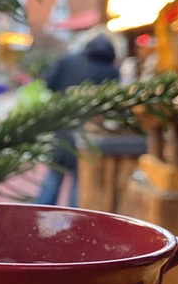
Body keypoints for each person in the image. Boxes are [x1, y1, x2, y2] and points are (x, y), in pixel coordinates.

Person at [34, 33, 121, 207]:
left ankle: (39, 212)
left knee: (54, 174)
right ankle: (74, 218)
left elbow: (49, 83)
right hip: (90, 131)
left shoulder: (67, 61)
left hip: (63, 124)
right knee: (79, 179)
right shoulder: (111, 71)